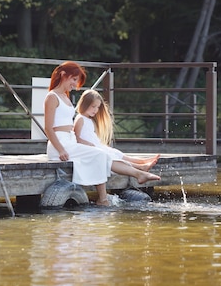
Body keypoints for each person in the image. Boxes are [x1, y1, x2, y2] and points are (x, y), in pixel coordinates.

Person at [44, 61, 161, 206]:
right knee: (99, 154)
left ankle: (129, 179)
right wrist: (60, 149)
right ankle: (105, 197)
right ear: (63, 75)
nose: (75, 84)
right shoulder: (52, 97)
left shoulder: (66, 97)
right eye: (74, 79)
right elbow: (48, 128)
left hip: (70, 142)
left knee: (102, 154)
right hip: (59, 144)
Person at [74, 89, 160, 171]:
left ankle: (142, 161)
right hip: (88, 148)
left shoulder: (89, 120)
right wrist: (89, 144)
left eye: (98, 107)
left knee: (116, 152)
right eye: (93, 107)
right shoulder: (80, 118)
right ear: (85, 104)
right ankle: (140, 167)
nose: (96, 110)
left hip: (95, 145)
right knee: (112, 156)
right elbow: (76, 138)